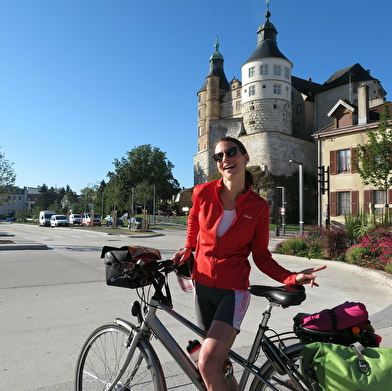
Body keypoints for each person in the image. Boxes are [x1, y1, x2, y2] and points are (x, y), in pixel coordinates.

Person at [174, 136, 326, 391]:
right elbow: (194, 221)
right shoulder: (202, 192)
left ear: (245, 157)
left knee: (208, 363)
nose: (225, 159)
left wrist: (292, 277)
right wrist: (189, 248)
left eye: (231, 152)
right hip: (202, 286)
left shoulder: (258, 207)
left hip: (232, 292)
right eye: (218, 156)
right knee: (219, 364)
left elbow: (262, 257)